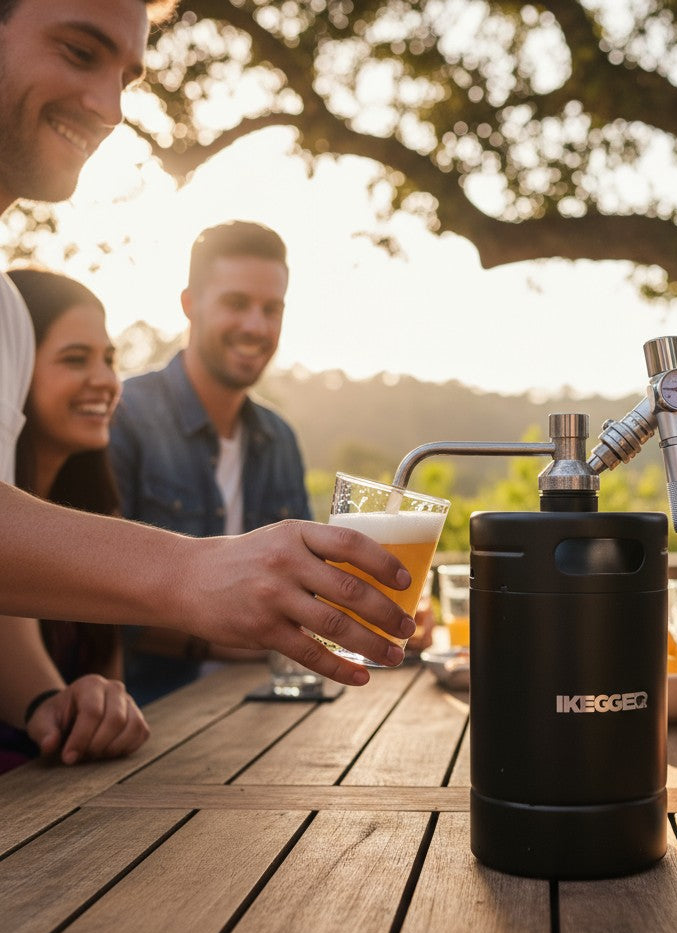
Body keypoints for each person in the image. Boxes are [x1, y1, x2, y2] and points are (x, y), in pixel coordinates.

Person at [0, 0, 415, 766]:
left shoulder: (7, 316)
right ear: (190, 305)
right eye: (80, 52)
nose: (111, 108)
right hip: (172, 730)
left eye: (128, 78)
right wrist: (193, 575)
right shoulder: (127, 415)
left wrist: (43, 700)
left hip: (231, 735)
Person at [109, 221, 313, 701]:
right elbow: (96, 594)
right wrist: (224, 644)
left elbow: (304, 586)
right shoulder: (123, 416)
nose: (256, 327)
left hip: (269, 706)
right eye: (236, 303)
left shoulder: (280, 439)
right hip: (153, 709)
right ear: (190, 304)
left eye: (271, 309)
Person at [0, 267, 141, 770]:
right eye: (75, 359)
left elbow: (109, 684)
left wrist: (107, 709)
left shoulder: (96, 510)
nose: (105, 380)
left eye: (109, 359)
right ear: (14, 368)